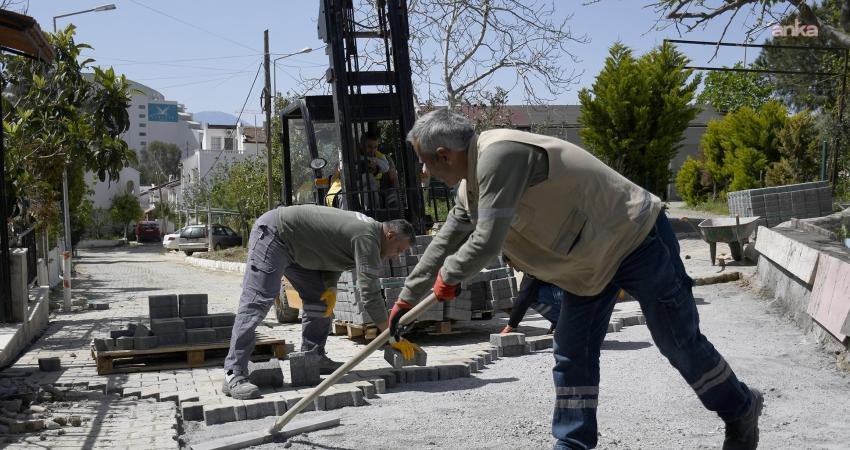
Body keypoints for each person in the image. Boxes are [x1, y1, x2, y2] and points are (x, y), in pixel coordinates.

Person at [389, 109, 762, 450]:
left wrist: (451, 278)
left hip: (633, 238)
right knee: (572, 351)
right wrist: (407, 299)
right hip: (588, 265)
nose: (424, 173)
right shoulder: (468, 188)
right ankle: (572, 444)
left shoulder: (499, 155)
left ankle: (740, 408)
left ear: (444, 155)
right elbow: (444, 242)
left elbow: (486, 241)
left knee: (677, 341)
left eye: (424, 163)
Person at [223, 205, 421, 400]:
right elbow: (369, 293)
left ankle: (313, 357)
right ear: (390, 235)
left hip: (297, 247)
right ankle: (234, 372)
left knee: (319, 299)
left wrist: (330, 286)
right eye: (399, 249)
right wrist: (391, 334)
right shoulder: (368, 237)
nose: (396, 256)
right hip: (276, 235)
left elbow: (332, 252)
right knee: (257, 302)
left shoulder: (370, 233)